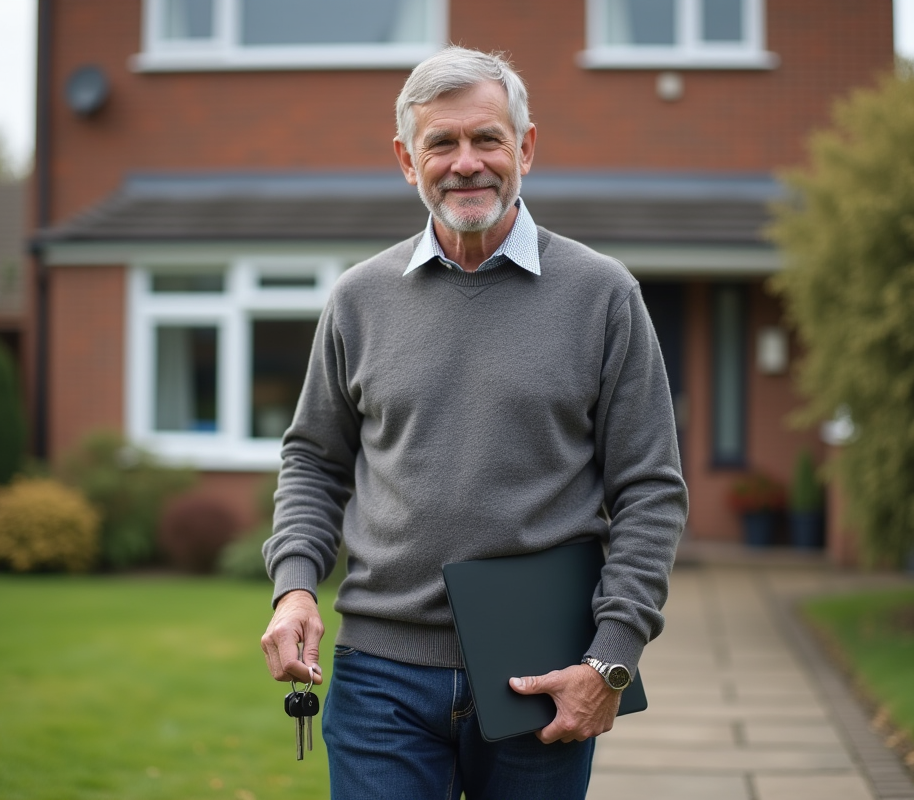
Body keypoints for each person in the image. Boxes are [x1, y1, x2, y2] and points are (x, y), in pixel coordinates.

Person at [260, 45, 688, 800]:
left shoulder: (603, 296)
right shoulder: (359, 299)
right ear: (405, 158)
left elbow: (651, 492)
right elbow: (314, 462)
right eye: (441, 143)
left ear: (525, 146)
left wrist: (611, 658)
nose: (466, 163)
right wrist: (295, 586)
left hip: (543, 670)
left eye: (486, 138)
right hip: (380, 681)